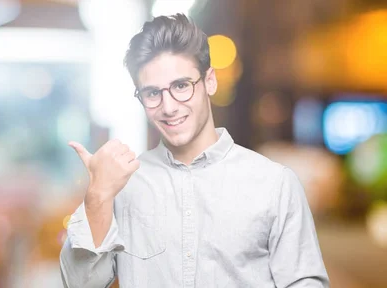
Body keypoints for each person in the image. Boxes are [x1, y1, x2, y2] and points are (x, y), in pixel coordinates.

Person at [59, 13, 329, 288]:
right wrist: (98, 197)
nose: (169, 107)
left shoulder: (275, 184)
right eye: (153, 93)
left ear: (209, 81)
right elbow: (80, 285)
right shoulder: (121, 187)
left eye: (180, 86)